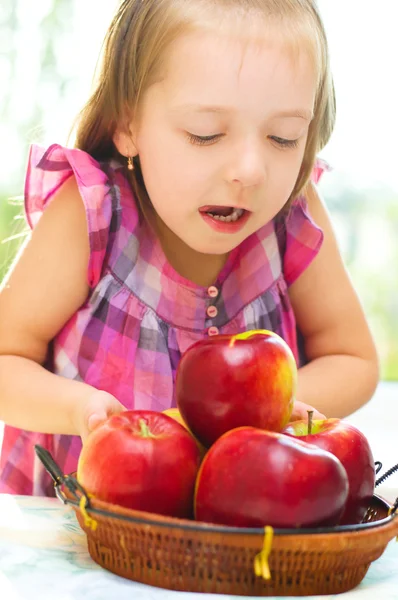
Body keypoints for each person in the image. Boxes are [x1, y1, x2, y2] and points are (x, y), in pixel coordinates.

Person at [0, 0, 379, 496]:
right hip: (75, 528)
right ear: (128, 124)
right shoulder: (94, 214)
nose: (250, 170)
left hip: (233, 537)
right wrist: (78, 408)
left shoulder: (289, 217)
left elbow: (355, 360)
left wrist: (270, 405)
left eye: (283, 138)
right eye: (206, 134)